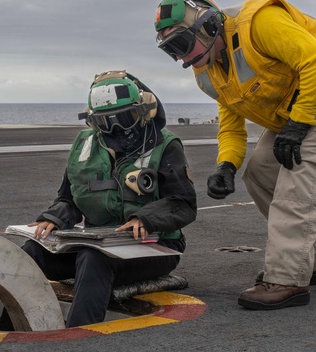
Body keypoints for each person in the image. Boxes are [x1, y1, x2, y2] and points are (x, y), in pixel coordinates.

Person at [154, 0, 316, 310]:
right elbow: (231, 124)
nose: (181, 58)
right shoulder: (207, 72)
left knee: (301, 163)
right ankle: (307, 263)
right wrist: (227, 165)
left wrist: (299, 124)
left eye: (181, 44)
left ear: (208, 25)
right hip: (303, 103)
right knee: (260, 172)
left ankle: (287, 278)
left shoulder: (259, 22)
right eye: (171, 51)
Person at [20, 70, 196, 326]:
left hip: (155, 247)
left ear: (143, 111)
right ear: (92, 122)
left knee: (93, 259)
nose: (115, 128)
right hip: (99, 243)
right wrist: (55, 218)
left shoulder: (165, 145)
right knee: (31, 253)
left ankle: (79, 336)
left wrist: (145, 218)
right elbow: (68, 198)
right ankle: (12, 328)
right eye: (105, 122)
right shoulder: (84, 145)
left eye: (124, 118)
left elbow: (184, 202)